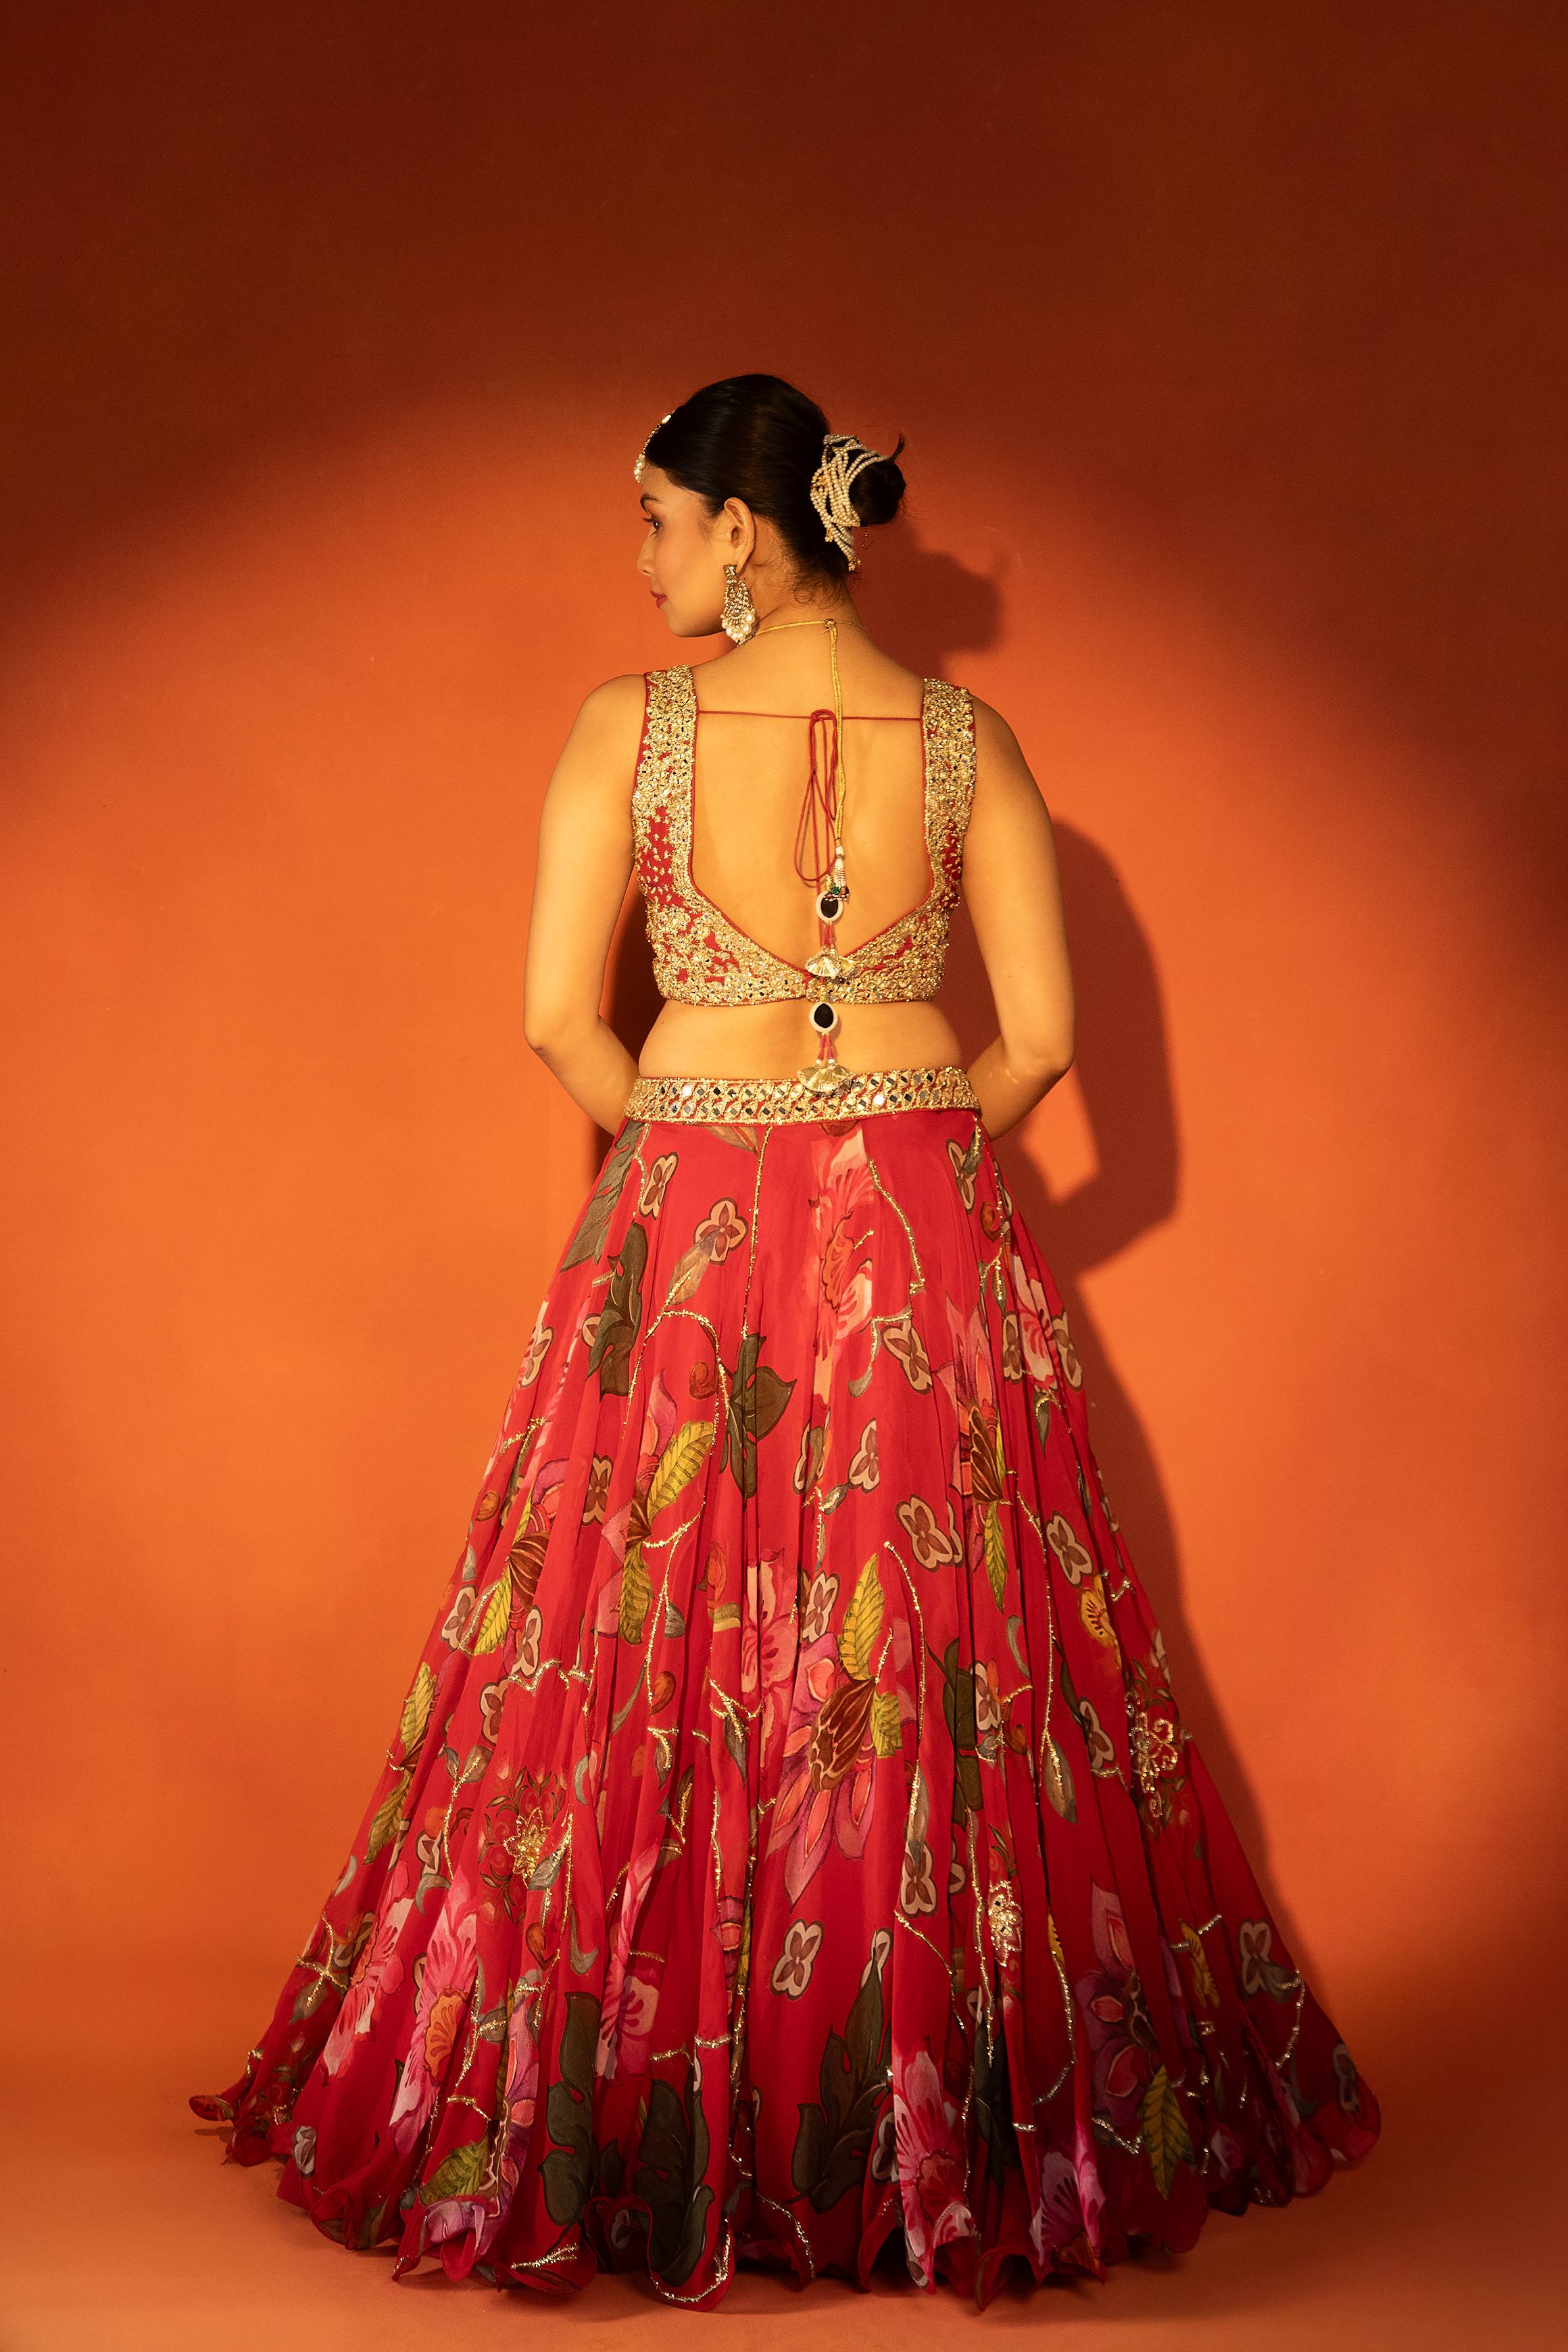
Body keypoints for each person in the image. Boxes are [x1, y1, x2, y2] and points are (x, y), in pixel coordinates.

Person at [189, 373, 1379, 2307]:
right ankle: (920, 2129)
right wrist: (893, 1158)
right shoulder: (970, 738)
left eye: (655, 519)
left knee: (648, 1644)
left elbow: (557, 1019)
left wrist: (699, 1146)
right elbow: (1044, 1042)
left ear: (741, 529)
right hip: (918, 1225)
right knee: (912, 1663)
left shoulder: (626, 726)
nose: (643, 558)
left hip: (687, 1216)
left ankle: (660, 2120)